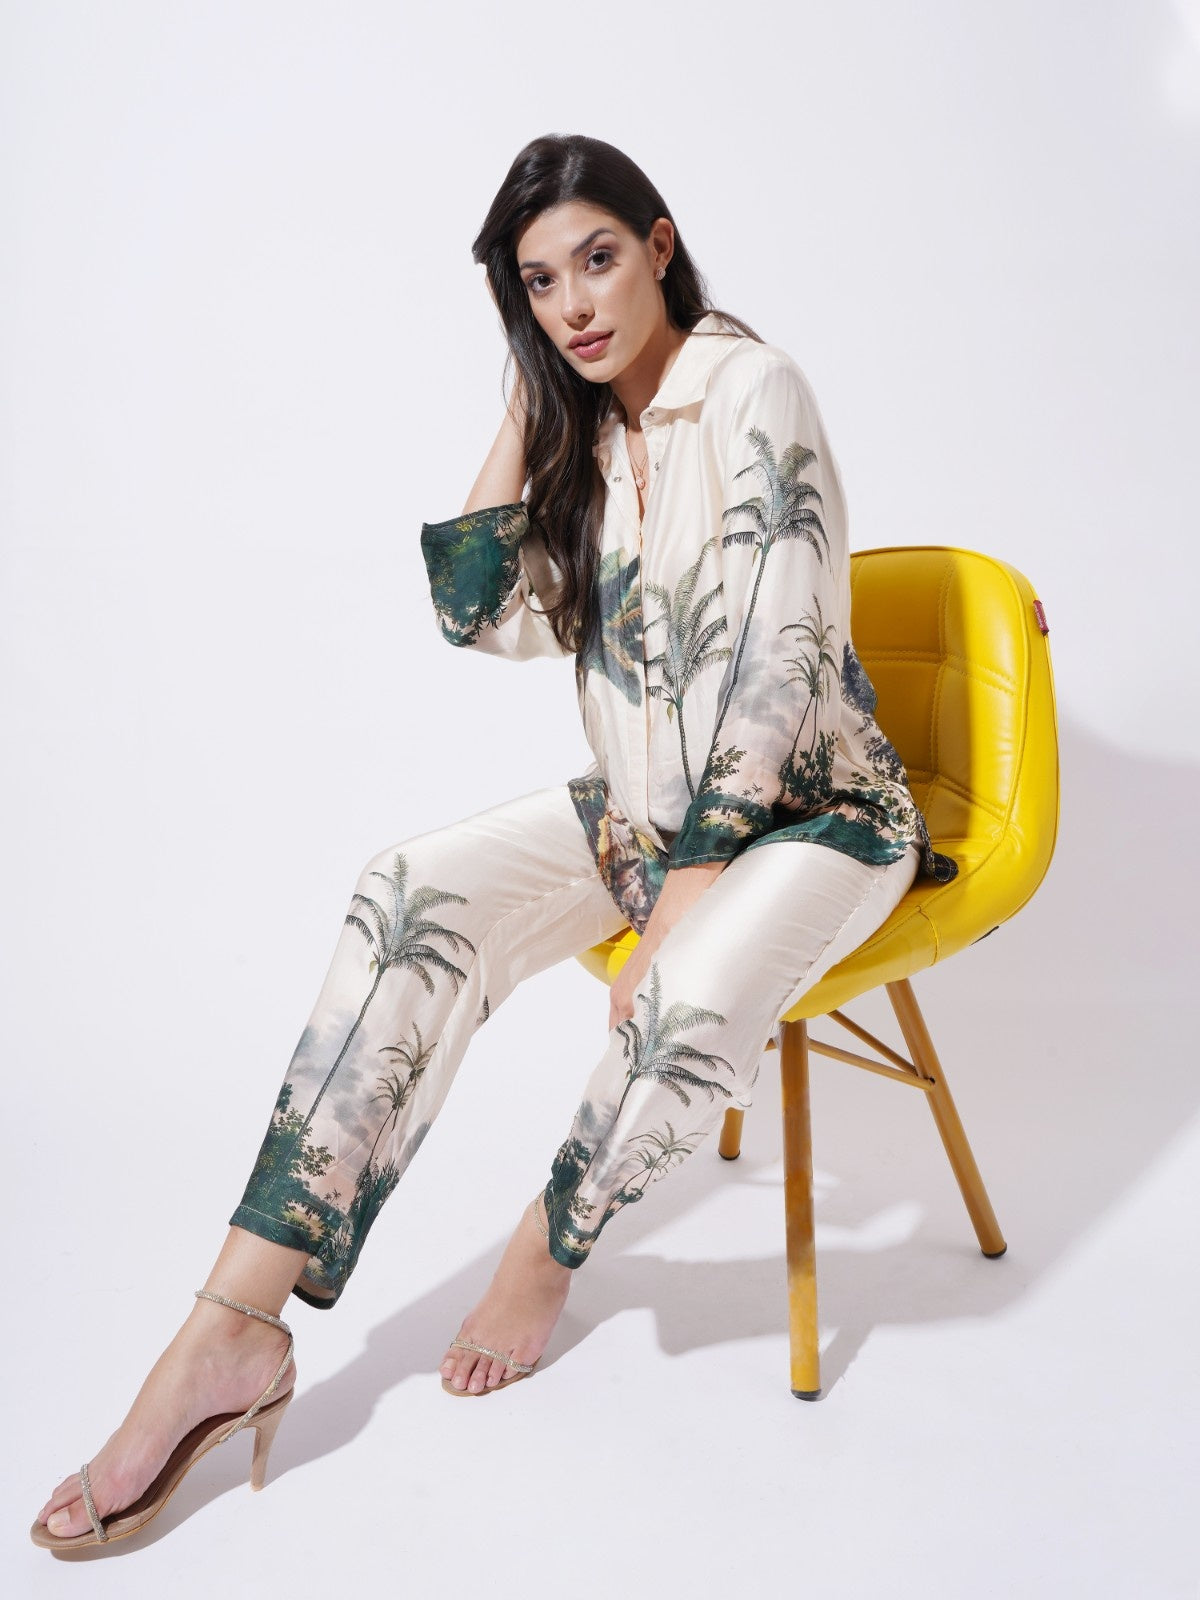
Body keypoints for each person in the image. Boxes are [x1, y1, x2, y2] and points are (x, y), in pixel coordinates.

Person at [32, 131, 955, 1550]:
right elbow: (476, 613)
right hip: (644, 818)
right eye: (539, 284)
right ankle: (230, 1327)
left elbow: (779, 650)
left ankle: (546, 1249)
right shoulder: (592, 429)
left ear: (659, 248)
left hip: (815, 812)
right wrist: (534, 401)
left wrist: (692, 891)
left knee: (681, 998)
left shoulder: (751, 386)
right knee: (410, 893)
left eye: (598, 260)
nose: (575, 304)